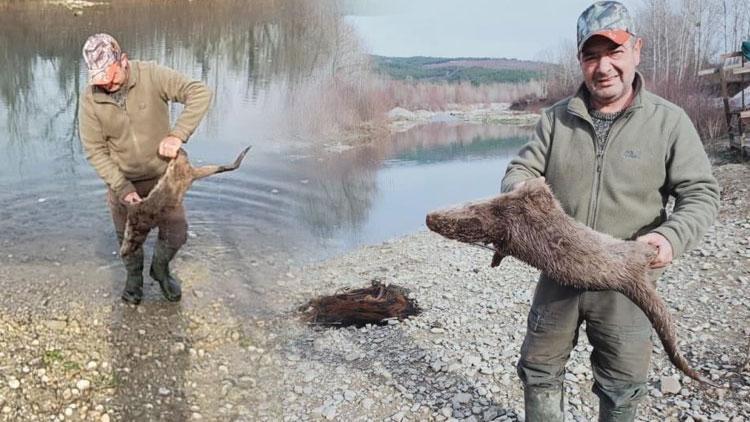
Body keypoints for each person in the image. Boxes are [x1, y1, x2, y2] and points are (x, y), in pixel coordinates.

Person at [500, 2, 720, 421]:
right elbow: (520, 168)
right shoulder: (555, 119)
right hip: (559, 271)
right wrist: (522, 191)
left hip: (627, 280)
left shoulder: (669, 122)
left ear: (637, 50)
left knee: (622, 385)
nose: (603, 67)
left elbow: (701, 194)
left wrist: (669, 239)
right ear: (580, 60)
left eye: (614, 51)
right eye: (591, 55)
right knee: (538, 371)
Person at [78, 33, 212, 305]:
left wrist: (178, 135)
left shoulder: (151, 75)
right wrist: (122, 188)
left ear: (123, 61)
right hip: (123, 179)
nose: (109, 86)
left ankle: (160, 269)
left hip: (164, 177)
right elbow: (95, 150)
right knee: (128, 241)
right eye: (101, 82)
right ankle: (134, 280)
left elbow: (199, 92)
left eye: (112, 78)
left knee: (176, 233)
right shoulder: (90, 100)